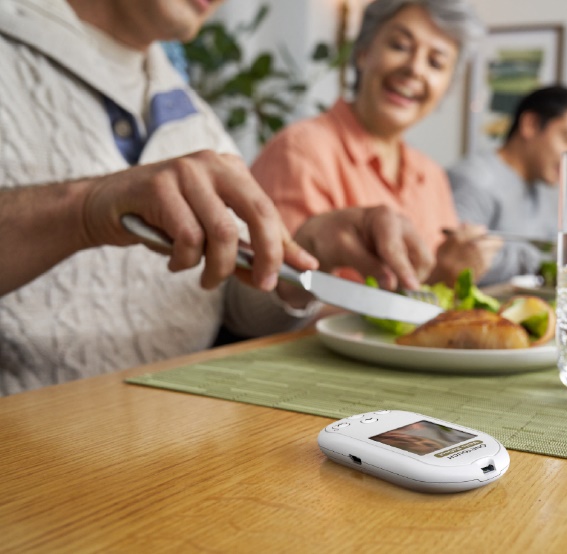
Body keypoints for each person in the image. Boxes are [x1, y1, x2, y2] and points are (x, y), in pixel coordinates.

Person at [0, 0, 434, 396]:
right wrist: (84, 211)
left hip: (190, 443)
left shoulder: (196, 118)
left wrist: (307, 250)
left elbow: (233, 312)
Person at [250, 0, 500, 286]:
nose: (415, 69)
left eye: (436, 62)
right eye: (400, 46)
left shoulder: (432, 176)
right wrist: (438, 283)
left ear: (446, 88)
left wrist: (453, 271)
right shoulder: (301, 150)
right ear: (364, 52)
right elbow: (284, 297)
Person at [447, 85, 567, 285]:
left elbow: (555, 248)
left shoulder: (541, 188)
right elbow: (455, 263)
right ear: (530, 124)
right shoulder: (475, 180)